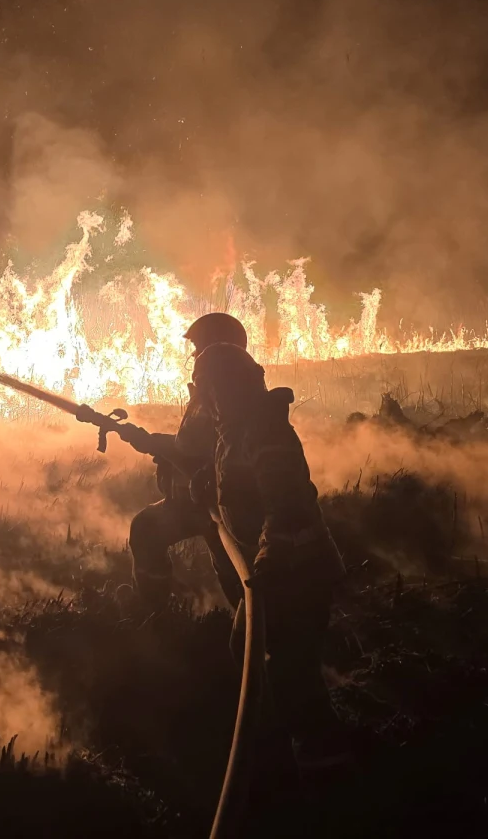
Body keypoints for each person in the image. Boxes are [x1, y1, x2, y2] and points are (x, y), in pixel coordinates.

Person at [188, 341, 352, 778]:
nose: (205, 401)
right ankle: (273, 739)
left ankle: (325, 759)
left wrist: (269, 558)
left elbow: (287, 505)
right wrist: (210, 481)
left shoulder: (263, 431)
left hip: (298, 570)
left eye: (209, 390)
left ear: (227, 389)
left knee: (291, 667)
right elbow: (238, 478)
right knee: (248, 649)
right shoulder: (236, 431)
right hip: (278, 572)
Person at [121, 313, 250, 611]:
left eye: (199, 347)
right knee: (147, 528)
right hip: (198, 499)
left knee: (237, 572)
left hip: (220, 503)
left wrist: (154, 443)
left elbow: (201, 454)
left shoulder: (227, 397)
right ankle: (154, 610)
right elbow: (189, 446)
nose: (194, 356)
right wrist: (147, 439)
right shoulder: (213, 392)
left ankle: (254, 635)